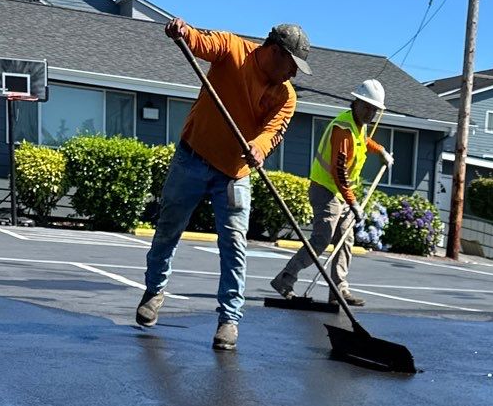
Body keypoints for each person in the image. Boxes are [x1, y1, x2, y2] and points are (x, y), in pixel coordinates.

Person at [136, 18, 309, 350]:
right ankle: (155, 291)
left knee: (234, 246)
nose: (295, 74)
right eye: (293, 64)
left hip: (233, 174)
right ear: (275, 51)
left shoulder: (285, 95)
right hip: (192, 158)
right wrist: (183, 33)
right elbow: (201, 43)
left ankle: (229, 320)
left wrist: (258, 148)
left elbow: (273, 131)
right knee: (168, 229)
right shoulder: (232, 49)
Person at [270, 79, 390, 309]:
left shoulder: (358, 125)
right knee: (322, 239)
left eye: (375, 109)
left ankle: (339, 290)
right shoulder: (343, 129)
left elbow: (364, 141)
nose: (371, 113)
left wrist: (381, 150)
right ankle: (285, 280)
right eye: (367, 107)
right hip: (326, 190)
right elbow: (338, 171)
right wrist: (353, 202)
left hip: (341, 193)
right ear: (356, 102)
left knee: (346, 239)